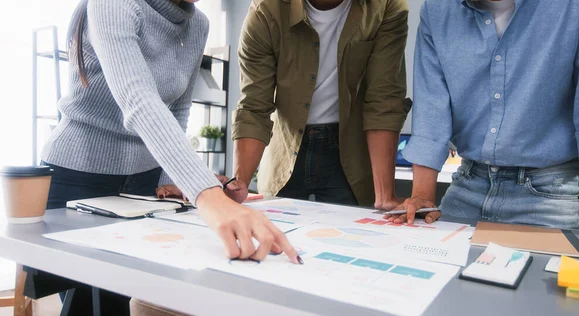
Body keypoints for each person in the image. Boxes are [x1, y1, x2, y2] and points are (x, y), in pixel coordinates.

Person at [37, 0, 300, 314]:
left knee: (127, 297)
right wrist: (208, 195)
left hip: (143, 184)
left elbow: (178, 110)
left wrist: (171, 182)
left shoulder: (197, 24)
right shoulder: (114, 4)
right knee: (96, 305)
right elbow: (138, 99)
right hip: (77, 177)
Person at [385, 0, 579, 234]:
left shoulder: (578, 5)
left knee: (539, 271)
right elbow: (431, 109)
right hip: (469, 183)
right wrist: (422, 196)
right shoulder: (438, 8)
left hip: (550, 191)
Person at [232, 0, 411, 210]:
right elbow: (254, 107)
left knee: (350, 237)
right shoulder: (267, 10)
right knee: (273, 236)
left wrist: (385, 196)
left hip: (349, 153)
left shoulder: (387, 6)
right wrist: (238, 185)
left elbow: (384, 100)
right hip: (285, 150)